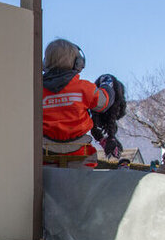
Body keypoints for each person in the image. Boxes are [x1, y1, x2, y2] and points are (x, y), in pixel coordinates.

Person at [41, 38, 115, 167]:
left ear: (44, 63)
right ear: (78, 63)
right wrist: (107, 84)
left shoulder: (36, 90)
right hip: (80, 155)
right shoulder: (84, 88)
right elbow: (104, 103)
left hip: (45, 154)